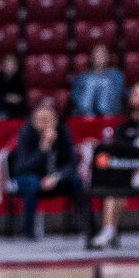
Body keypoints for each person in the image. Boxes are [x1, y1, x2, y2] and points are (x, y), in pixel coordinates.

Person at [12, 101, 91, 240]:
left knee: (77, 182)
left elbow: (72, 164)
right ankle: (28, 232)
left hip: (56, 180)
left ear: (55, 120)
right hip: (31, 178)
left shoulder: (63, 133)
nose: (45, 124)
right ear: (34, 121)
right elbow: (21, 167)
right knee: (32, 183)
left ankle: (90, 229)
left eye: (48, 120)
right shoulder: (26, 134)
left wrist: (56, 177)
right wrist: (43, 149)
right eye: (41, 120)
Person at [89, 82, 139, 249]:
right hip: (129, 173)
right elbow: (118, 154)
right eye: (135, 94)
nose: (137, 97)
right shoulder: (124, 127)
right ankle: (108, 230)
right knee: (114, 187)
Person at [72, 43, 125, 118]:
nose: (99, 57)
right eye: (97, 54)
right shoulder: (83, 77)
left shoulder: (117, 75)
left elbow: (118, 95)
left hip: (110, 112)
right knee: (90, 83)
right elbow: (76, 96)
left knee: (105, 83)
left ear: (108, 57)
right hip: (85, 113)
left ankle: (105, 115)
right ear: (91, 57)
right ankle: (88, 116)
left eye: (102, 54)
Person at [0, 53, 28, 120]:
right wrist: (6, 98)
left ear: (17, 67)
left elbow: (21, 99)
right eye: (8, 64)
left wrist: (15, 99)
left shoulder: (19, 80)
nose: (10, 67)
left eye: (13, 65)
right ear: (3, 66)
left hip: (13, 111)